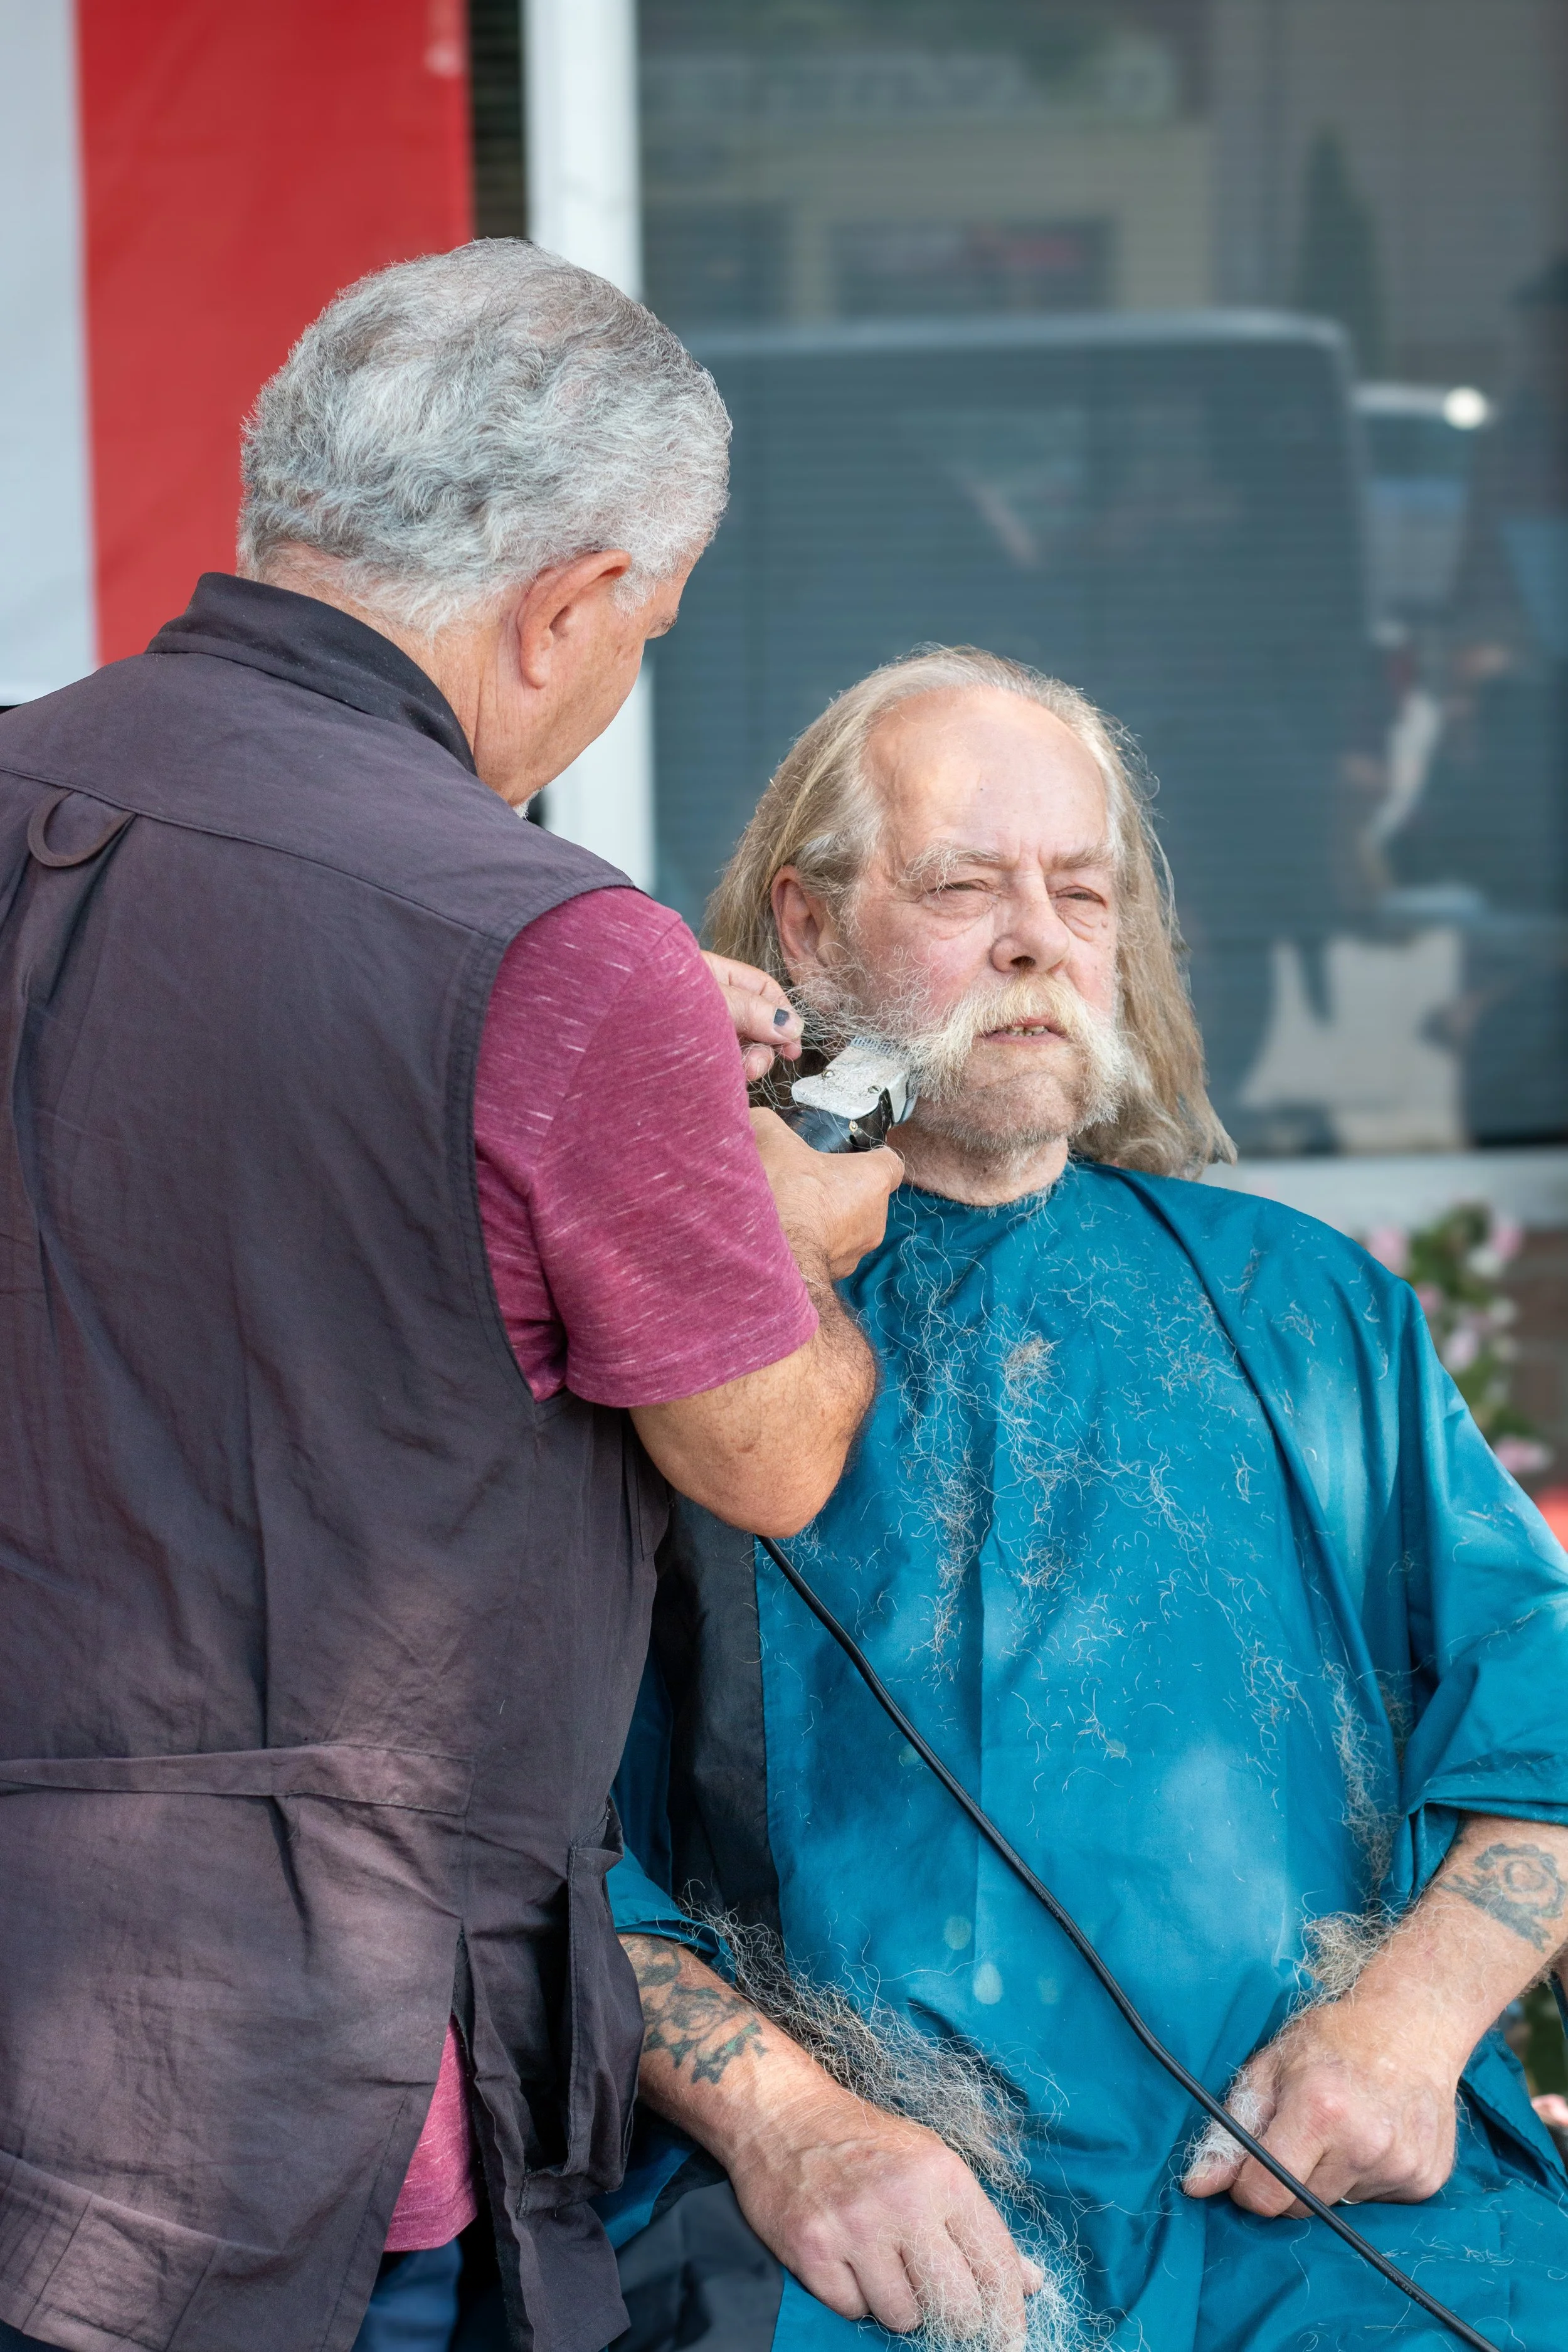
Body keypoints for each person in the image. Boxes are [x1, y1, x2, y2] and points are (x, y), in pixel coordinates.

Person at [0, 243, 901, 2352]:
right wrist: (775, 1208)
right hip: (259, 2107)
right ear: (569, 600)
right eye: (641, 634)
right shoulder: (548, 948)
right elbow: (767, 1458)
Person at [600, 647, 1568, 2351]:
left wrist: (1410, 2029)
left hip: (1306, 2203)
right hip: (867, 2224)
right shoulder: (688, 1355)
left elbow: (1544, 1712)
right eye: (965, 884)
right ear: (803, 930)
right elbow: (536, 1856)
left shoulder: (1307, 1308)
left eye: (1080, 889)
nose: (1037, 937)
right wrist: (791, 2126)